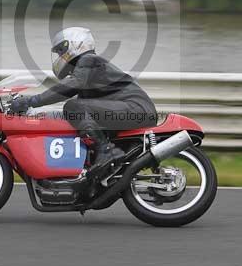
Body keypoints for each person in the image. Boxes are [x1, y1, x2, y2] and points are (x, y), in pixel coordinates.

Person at [10, 26, 158, 176]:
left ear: (76, 43)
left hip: (136, 108)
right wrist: (35, 114)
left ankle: (107, 151)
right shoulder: (87, 74)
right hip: (131, 110)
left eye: (62, 50)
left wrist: (31, 101)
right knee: (77, 114)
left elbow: (70, 87)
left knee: (73, 107)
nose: (61, 55)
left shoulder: (89, 60)